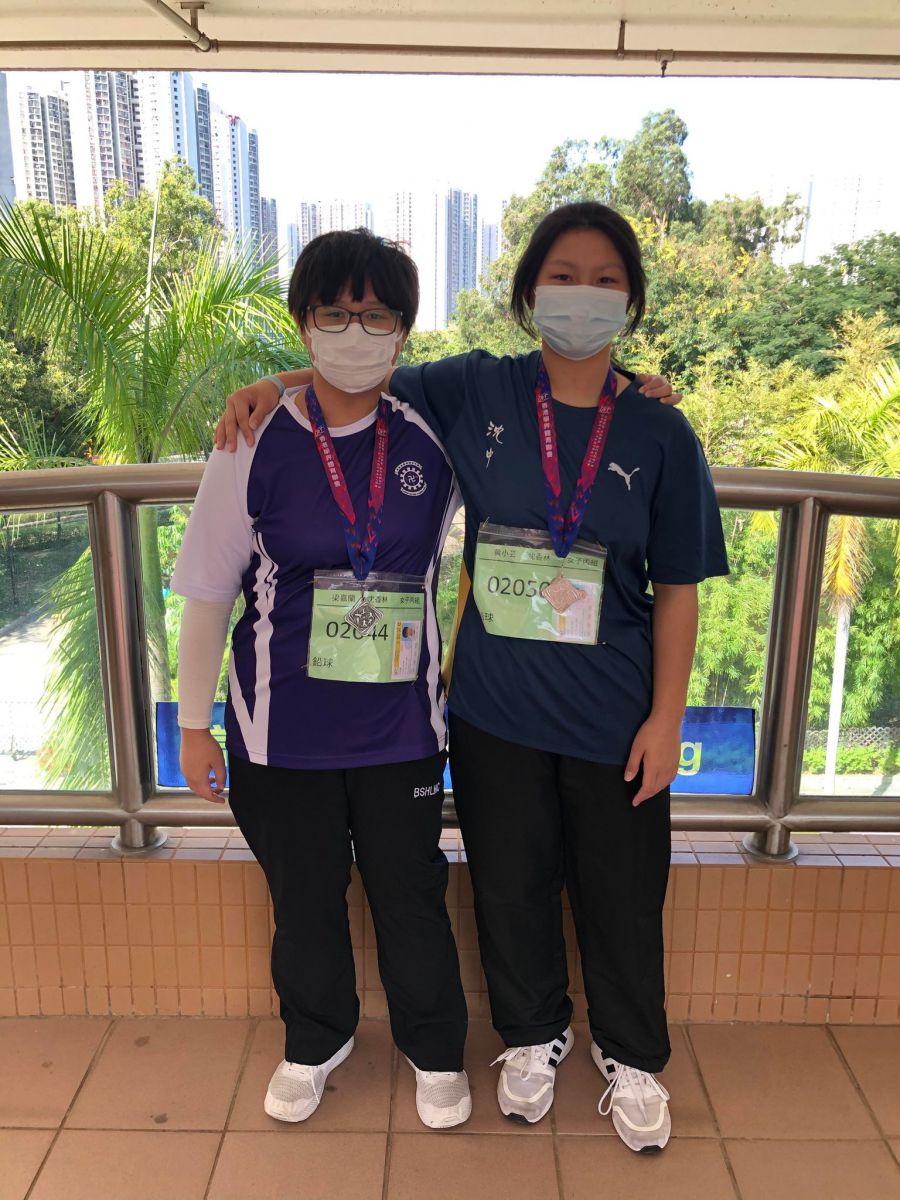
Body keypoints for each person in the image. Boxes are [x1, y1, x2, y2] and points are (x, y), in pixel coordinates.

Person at [216, 202, 727, 1153]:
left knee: (621, 895)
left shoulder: (661, 431)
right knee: (508, 886)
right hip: (493, 707)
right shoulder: (477, 388)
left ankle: (632, 1057)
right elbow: (356, 370)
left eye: (606, 280)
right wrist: (267, 384)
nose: (582, 295)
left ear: (631, 301)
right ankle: (532, 1037)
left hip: (615, 714)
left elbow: (680, 589)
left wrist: (667, 718)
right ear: (530, 292)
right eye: (563, 276)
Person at [173, 229, 471, 1130]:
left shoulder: (435, 434)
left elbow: (545, 402)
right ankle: (315, 1039)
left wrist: (634, 385)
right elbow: (206, 591)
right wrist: (193, 727)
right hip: (279, 730)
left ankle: (434, 1049)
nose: (355, 332)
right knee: (302, 901)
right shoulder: (251, 439)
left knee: (410, 895)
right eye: (334, 314)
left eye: (376, 315)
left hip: (401, 730)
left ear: (404, 330)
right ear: (303, 325)